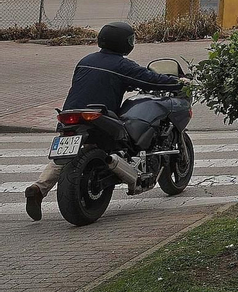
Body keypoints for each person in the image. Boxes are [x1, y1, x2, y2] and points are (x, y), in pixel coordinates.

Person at [23, 22, 185, 222]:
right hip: (99, 116)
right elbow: (150, 80)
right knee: (127, 141)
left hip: (70, 115)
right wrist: (177, 83)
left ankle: (38, 188)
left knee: (64, 158)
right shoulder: (122, 65)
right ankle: (123, 168)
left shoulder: (85, 60)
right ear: (124, 43)